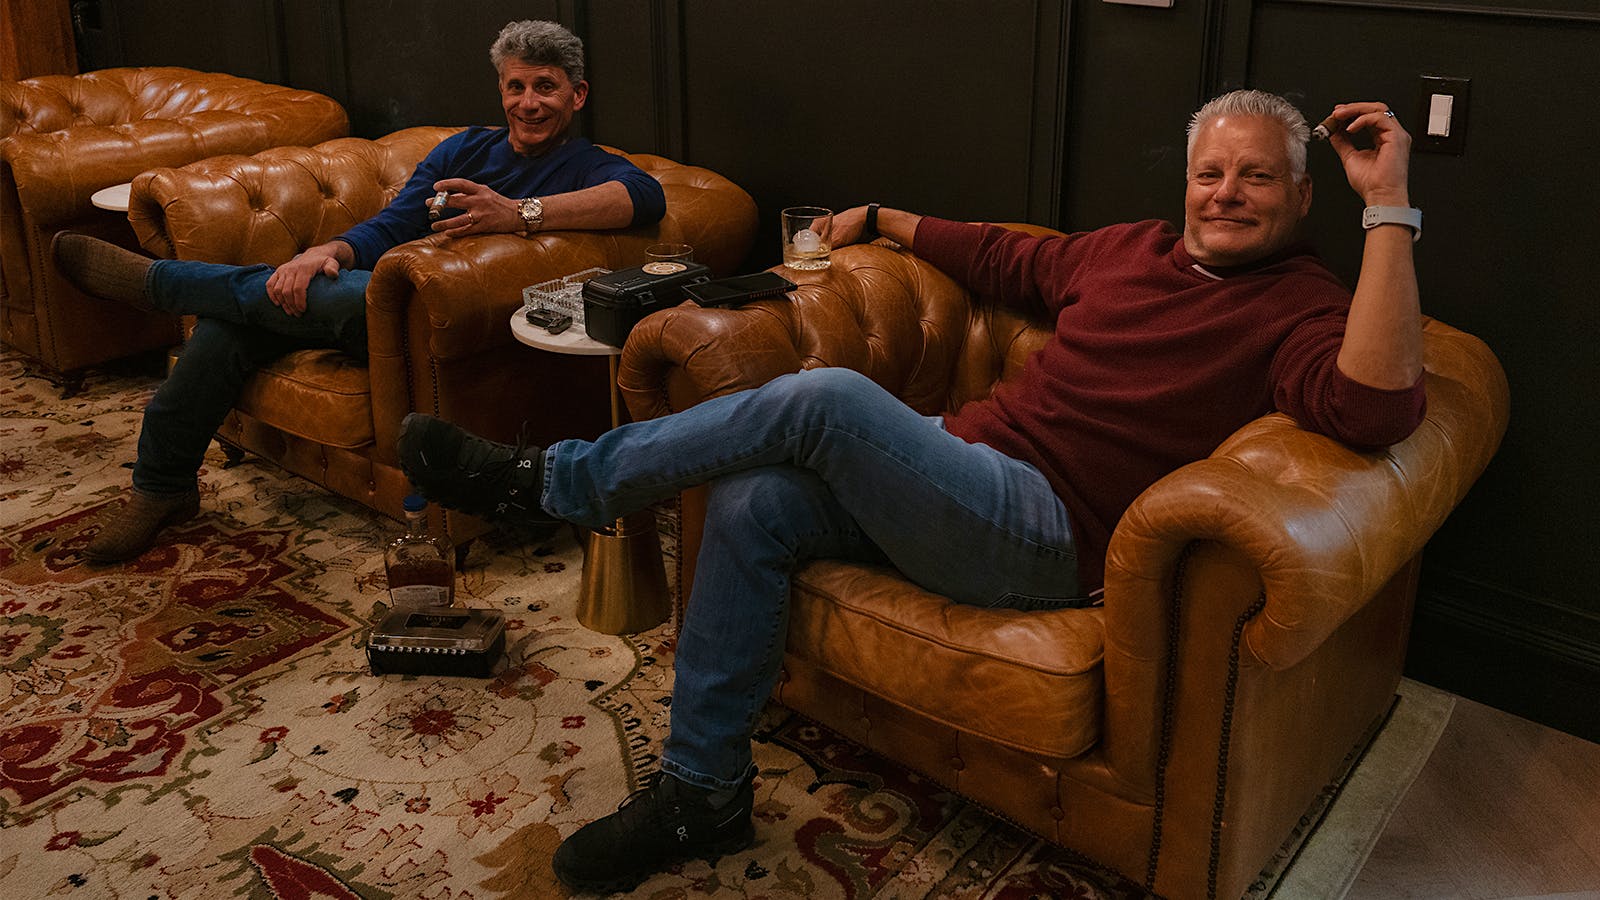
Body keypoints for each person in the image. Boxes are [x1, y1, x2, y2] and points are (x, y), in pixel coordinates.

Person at [395, 89, 1426, 893]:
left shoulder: (1299, 308)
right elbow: (999, 254)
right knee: (755, 501)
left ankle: (553, 482)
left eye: (1256, 177)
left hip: (1043, 535)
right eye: (1211, 172)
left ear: (1301, 198)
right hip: (955, 473)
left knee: (826, 401)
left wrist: (1387, 205)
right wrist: (884, 216)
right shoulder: (1131, 251)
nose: (1226, 193)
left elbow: (1377, 408)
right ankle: (702, 795)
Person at [56, 19, 667, 563]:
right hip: (375, 296)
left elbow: (645, 197)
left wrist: (518, 213)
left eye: (546, 87)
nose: (528, 103)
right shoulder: (465, 149)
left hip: (434, 319)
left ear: (577, 95)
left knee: (334, 299)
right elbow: (393, 224)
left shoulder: (586, 163)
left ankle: (162, 285)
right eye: (516, 86)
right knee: (229, 327)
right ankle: (161, 487)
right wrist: (325, 252)